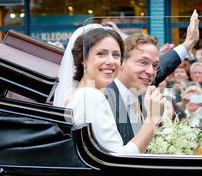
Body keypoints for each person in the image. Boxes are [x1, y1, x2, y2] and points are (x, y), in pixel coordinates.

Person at [62, 26, 165, 154]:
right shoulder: (90, 96)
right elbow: (117, 162)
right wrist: (153, 119)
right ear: (83, 59)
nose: (111, 61)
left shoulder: (87, 94)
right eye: (101, 54)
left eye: (116, 55)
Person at [103, 10, 200, 143]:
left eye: (154, 65)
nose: (151, 72)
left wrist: (188, 43)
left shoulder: (141, 85)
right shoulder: (104, 100)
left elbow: (164, 66)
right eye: (143, 62)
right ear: (121, 62)